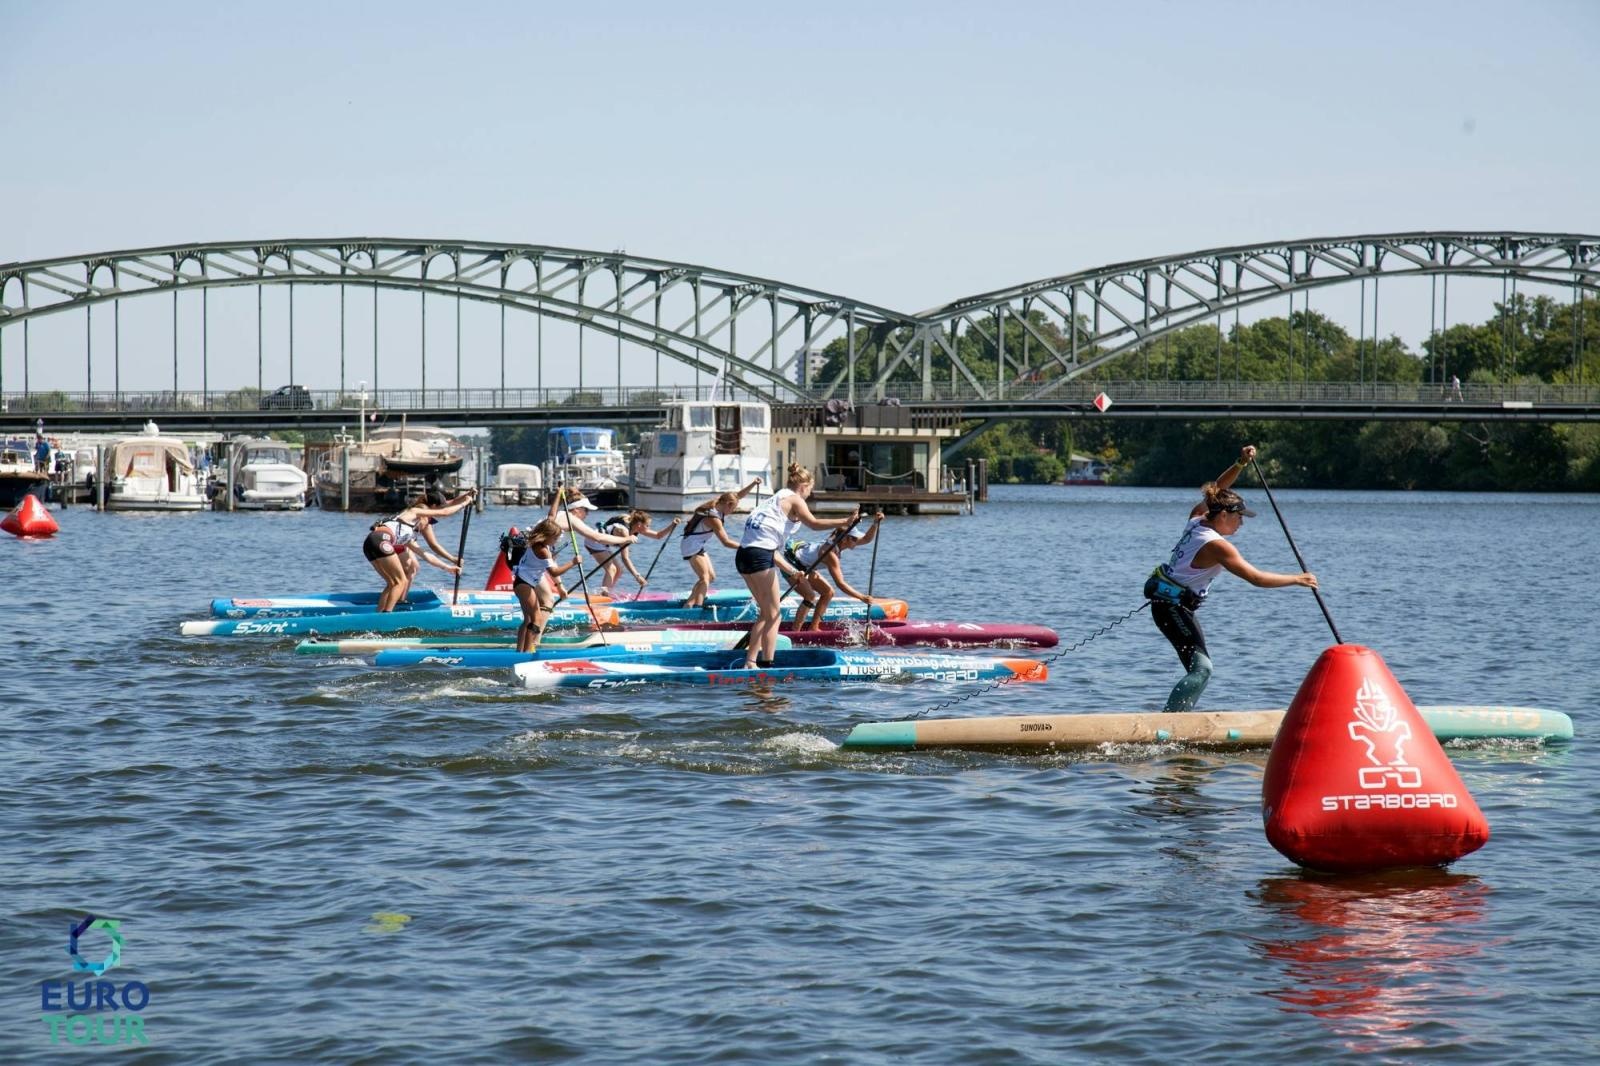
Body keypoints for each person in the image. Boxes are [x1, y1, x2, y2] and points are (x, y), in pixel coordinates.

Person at [1144, 445, 1317, 712]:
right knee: (1202, 669)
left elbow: (1214, 489)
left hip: (1170, 605)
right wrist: (1297, 579)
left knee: (1200, 668)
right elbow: (1256, 578)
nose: (1242, 524)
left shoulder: (1197, 519)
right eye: (1239, 518)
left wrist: (1240, 463)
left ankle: (1178, 719)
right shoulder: (1217, 545)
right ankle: (1168, 723)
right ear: (1223, 515)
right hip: (1173, 608)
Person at [736, 463, 858, 669]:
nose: (810, 494)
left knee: (767, 613)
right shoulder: (795, 499)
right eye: (810, 489)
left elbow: (771, 548)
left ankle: (755, 661)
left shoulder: (774, 500)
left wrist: (792, 571)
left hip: (744, 555)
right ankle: (761, 663)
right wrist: (845, 521)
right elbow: (813, 523)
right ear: (804, 485)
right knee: (773, 614)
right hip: (759, 556)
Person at [363, 488, 474, 612]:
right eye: (429, 519)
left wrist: (448, 567)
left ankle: (378, 616)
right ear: (425, 514)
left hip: (370, 543)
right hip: (381, 540)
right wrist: (465, 503)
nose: (428, 525)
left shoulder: (408, 536)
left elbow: (426, 555)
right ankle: (387, 616)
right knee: (400, 581)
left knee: (392, 583)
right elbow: (444, 511)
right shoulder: (414, 511)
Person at [786, 512, 885, 630]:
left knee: (828, 592)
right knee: (810, 596)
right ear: (845, 539)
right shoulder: (831, 555)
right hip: (791, 563)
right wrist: (861, 597)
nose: (857, 540)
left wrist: (875, 523)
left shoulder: (841, 540)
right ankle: (795, 632)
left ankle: (814, 628)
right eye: (854, 538)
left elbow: (867, 539)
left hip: (805, 565)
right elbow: (840, 584)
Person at [680, 479, 761, 608]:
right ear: (728, 504)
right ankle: (697, 608)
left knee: (711, 577)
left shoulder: (719, 503)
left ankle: (689, 604)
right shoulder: (714, 518)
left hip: (696, 544)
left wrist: (753, 483)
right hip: (691, 546)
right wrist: (746, 547)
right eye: (733, 508)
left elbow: (737, 496)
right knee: (704, 578)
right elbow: (726, 542)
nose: (732, 511)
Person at [507, 519, 580, 654]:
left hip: (522, 583)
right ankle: (528, 651)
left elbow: (550, 517)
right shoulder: (542, 550)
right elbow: (554, 572)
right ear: (548, 535)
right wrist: (573, 562)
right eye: (555, 538)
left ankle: (520, 652)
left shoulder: (539, 544)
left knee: (528, 619)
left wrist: (558, 497)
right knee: (537, 618)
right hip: (524, 584)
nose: (557, 541)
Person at [583, 509, 680, 597]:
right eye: (647, 525)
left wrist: (672, 525)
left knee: (619, 570)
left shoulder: (635, 527)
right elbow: (625, 558)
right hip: (594, 541)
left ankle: (607, 591)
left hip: (604, 544)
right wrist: (637, 576)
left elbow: (658, 535)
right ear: (639, 524)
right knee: (611, 569)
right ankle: (604, 596)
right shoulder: (624, 531)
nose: (648, 528)